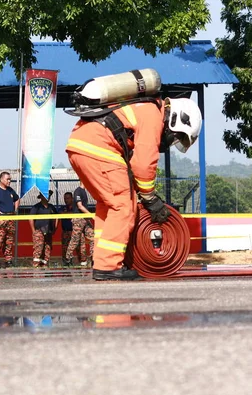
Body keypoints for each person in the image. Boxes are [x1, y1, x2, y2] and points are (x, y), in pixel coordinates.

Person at [66, 97, 202, 280]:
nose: (171, 140)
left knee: (108, 205)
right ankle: (108, 266)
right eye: (175, 135)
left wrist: (143, 193)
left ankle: (101, 261)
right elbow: (143, 166)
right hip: (99, 147)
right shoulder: (153, 115)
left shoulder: (144, 107)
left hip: (79, 145)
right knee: (123, 205)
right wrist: (151, 199)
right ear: (176, 119)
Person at [63, 182, 94, 267]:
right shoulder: (78, 191)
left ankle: (93, 258)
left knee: (93, 237)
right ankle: (67, 258)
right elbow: (80, 206)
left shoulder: (84, 191)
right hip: (78, 219)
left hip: (85, 219)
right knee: (75, 240)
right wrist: (91, 215)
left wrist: (88, 218)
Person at [29, 191, 58, 267]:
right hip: (39, 231)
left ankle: (45, 265)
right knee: (38, 248)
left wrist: (55, 228)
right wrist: (33, 231)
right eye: (46, 195)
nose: (47, 197)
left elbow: (57, 216)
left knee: (47, 248)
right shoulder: (36, 207)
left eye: (48, 195)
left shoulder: (51, 207)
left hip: (49, 231)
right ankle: (36, 266)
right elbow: (31, 219)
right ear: (41, 197)